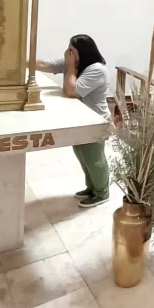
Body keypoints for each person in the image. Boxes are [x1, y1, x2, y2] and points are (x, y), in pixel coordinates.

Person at [36, 35, 110, 208]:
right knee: (82, 155)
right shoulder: (75, 63)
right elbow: (42, 65)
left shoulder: (96, 69)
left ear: (83, 52)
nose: (67, 53)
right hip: (80, 120)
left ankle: (102, 192)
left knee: (94, 158)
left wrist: (69, 66)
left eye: (71, 50)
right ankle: (92, 188)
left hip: (95, 122)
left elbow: (72, 90)